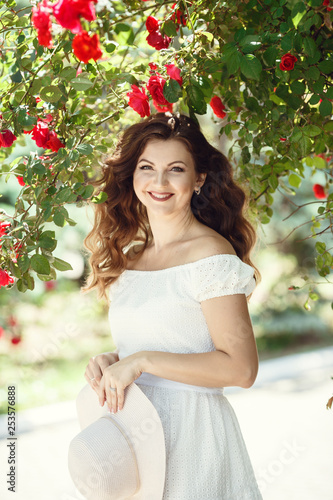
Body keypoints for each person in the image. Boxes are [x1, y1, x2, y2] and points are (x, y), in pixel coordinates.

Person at [78, 111, 263, 499]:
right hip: (134, 440)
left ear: (198, 179)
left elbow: (242, 368)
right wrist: (115, 359)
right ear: (132, 176)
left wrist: (142, 360)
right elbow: (173, 337)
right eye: (147, 167)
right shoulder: (131, 259)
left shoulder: (210, 254)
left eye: (175, 169)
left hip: (194, 439)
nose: (159, 182)